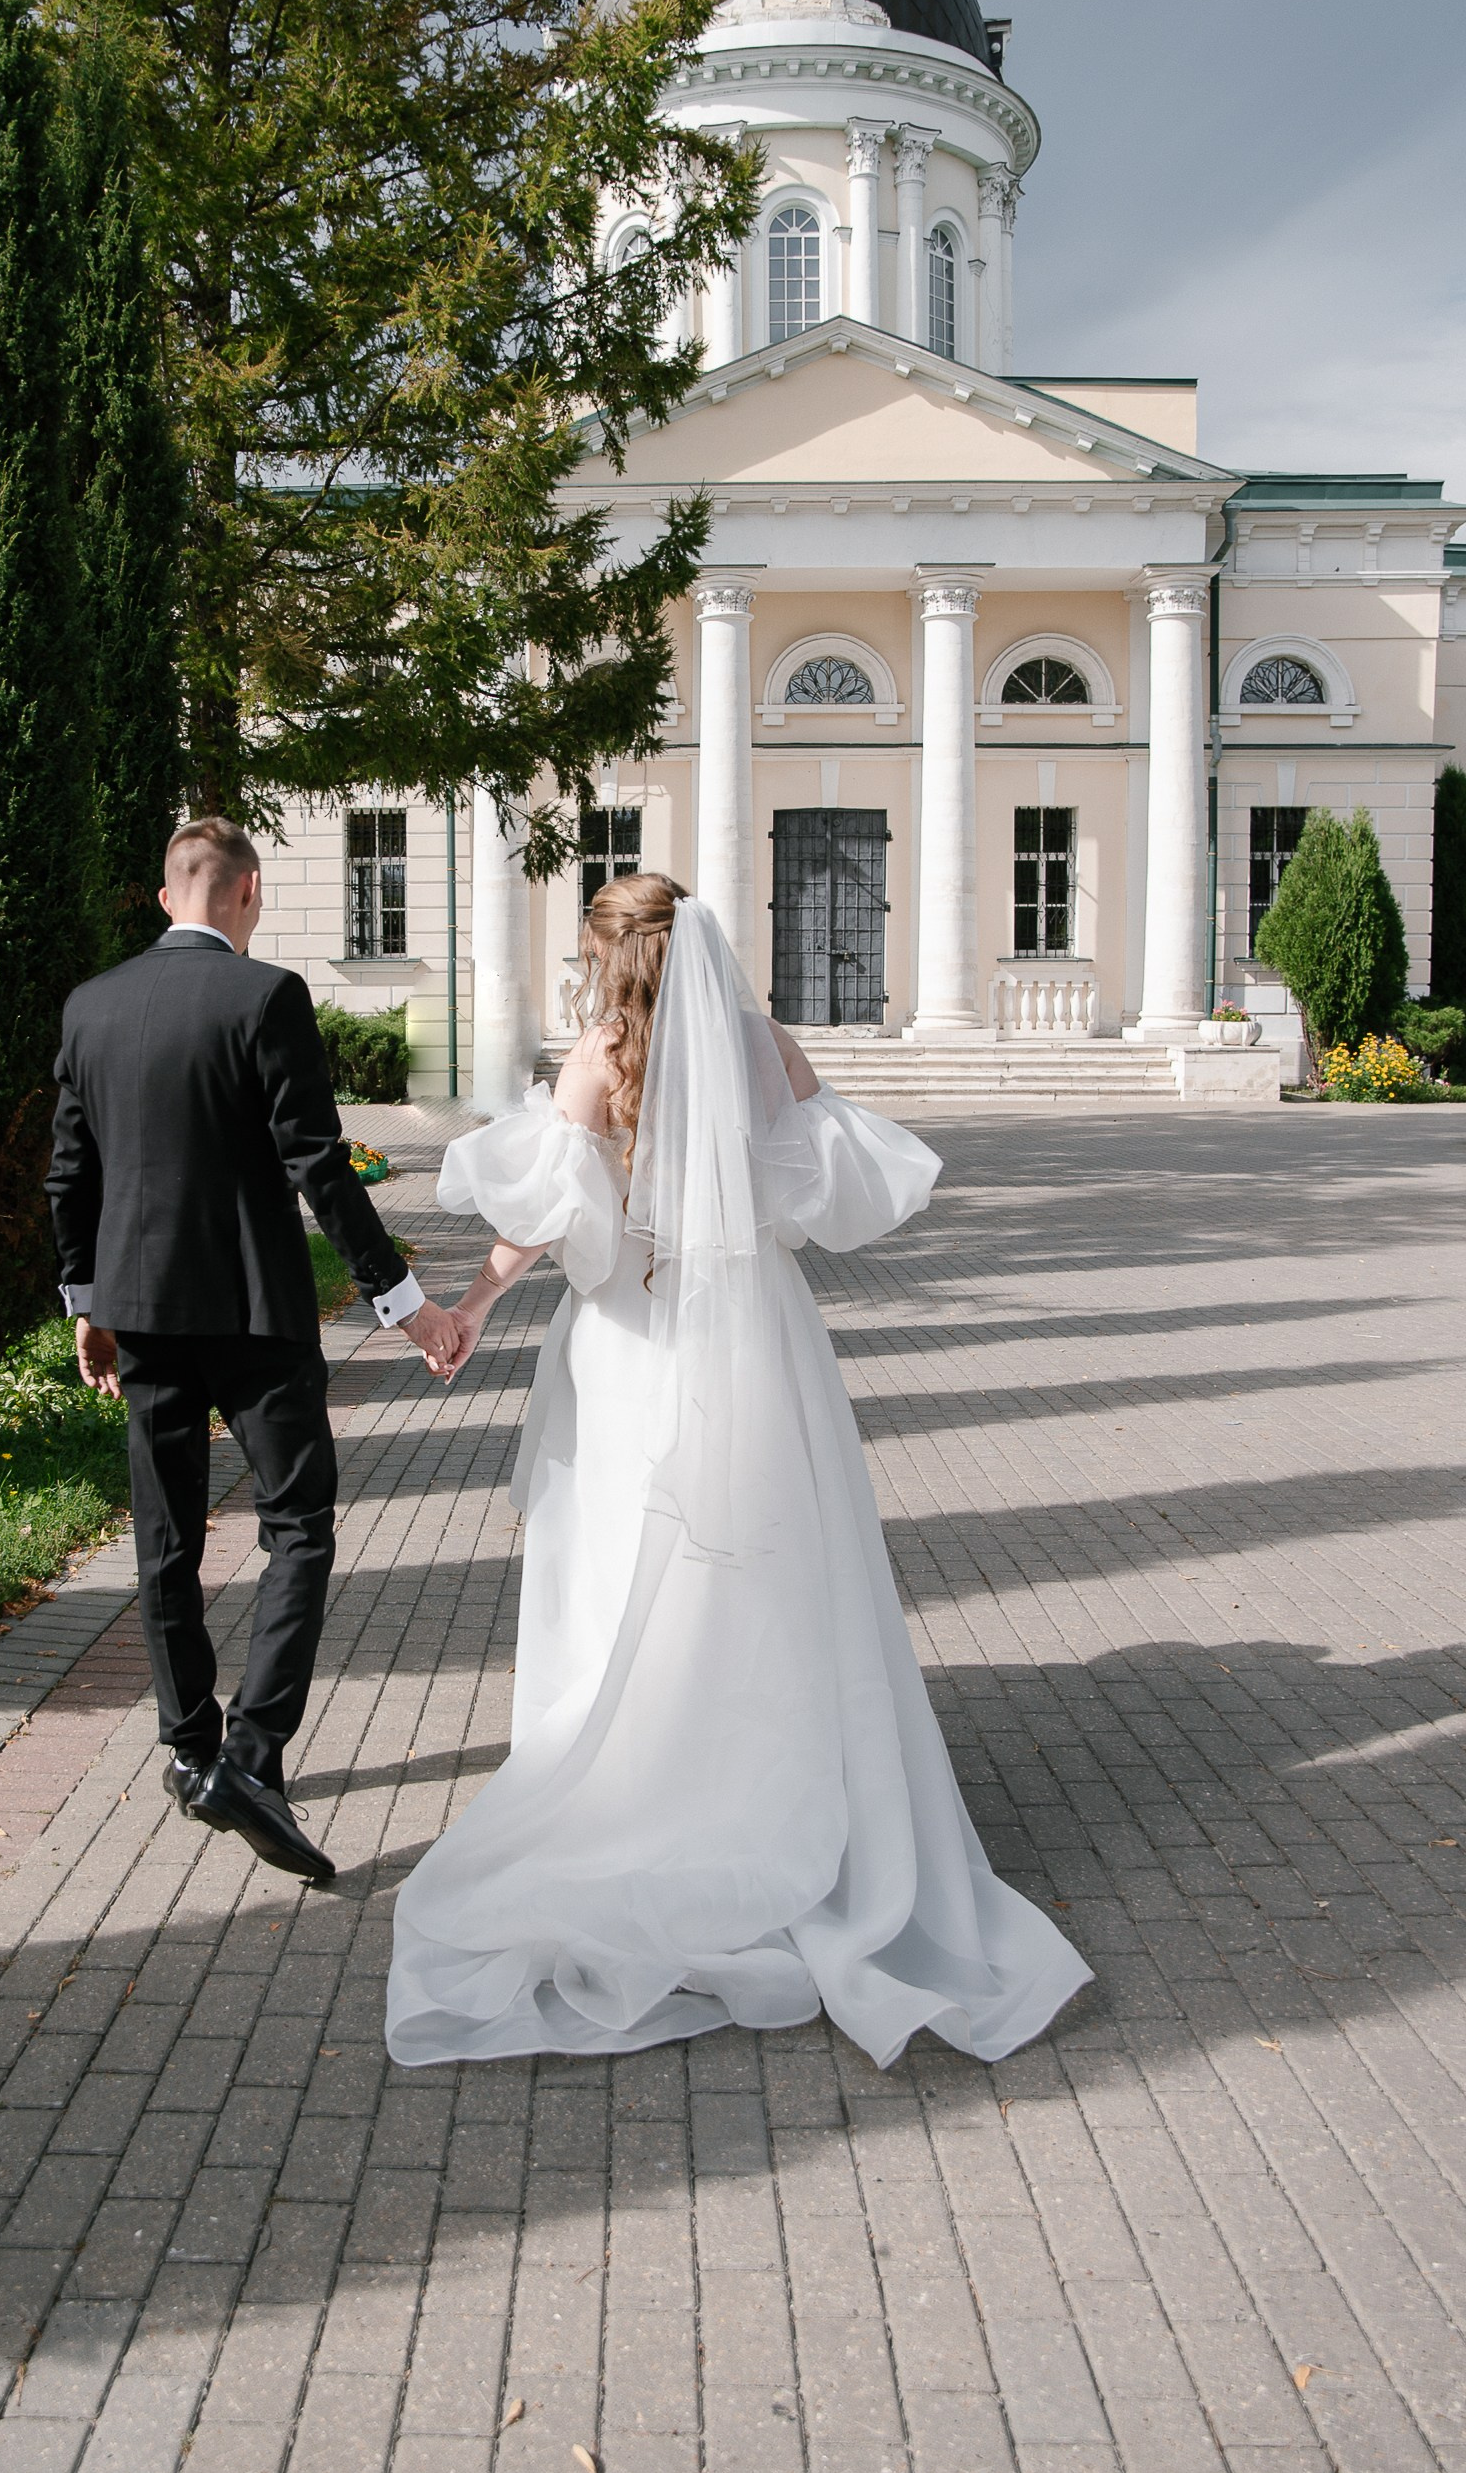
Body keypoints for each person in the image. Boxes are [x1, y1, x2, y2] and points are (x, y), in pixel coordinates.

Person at [385, 873, 1091, 2067]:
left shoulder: (592, 1058)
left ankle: (637, 1784)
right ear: (701, 947)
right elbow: (838, 1184)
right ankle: (791, 1803)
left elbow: (545, 1221)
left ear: (602, 959)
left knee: (620, 1565)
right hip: (757, 1340)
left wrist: (465, 1305)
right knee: (772, 1566)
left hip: (629, 1351)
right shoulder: (765, 1048)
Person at [48, 817, 465, 1888]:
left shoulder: (90, 1006)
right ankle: (251, 1753)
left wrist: (85, 1305)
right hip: (255, 1317)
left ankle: (188, 1754)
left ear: (162, 896)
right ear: (252, 893)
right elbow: (319, 1165)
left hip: (138, 1315)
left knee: (164, 1539)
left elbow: (71, 1178)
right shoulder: (266, 996)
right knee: (298, 1528)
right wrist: (405, 1304)